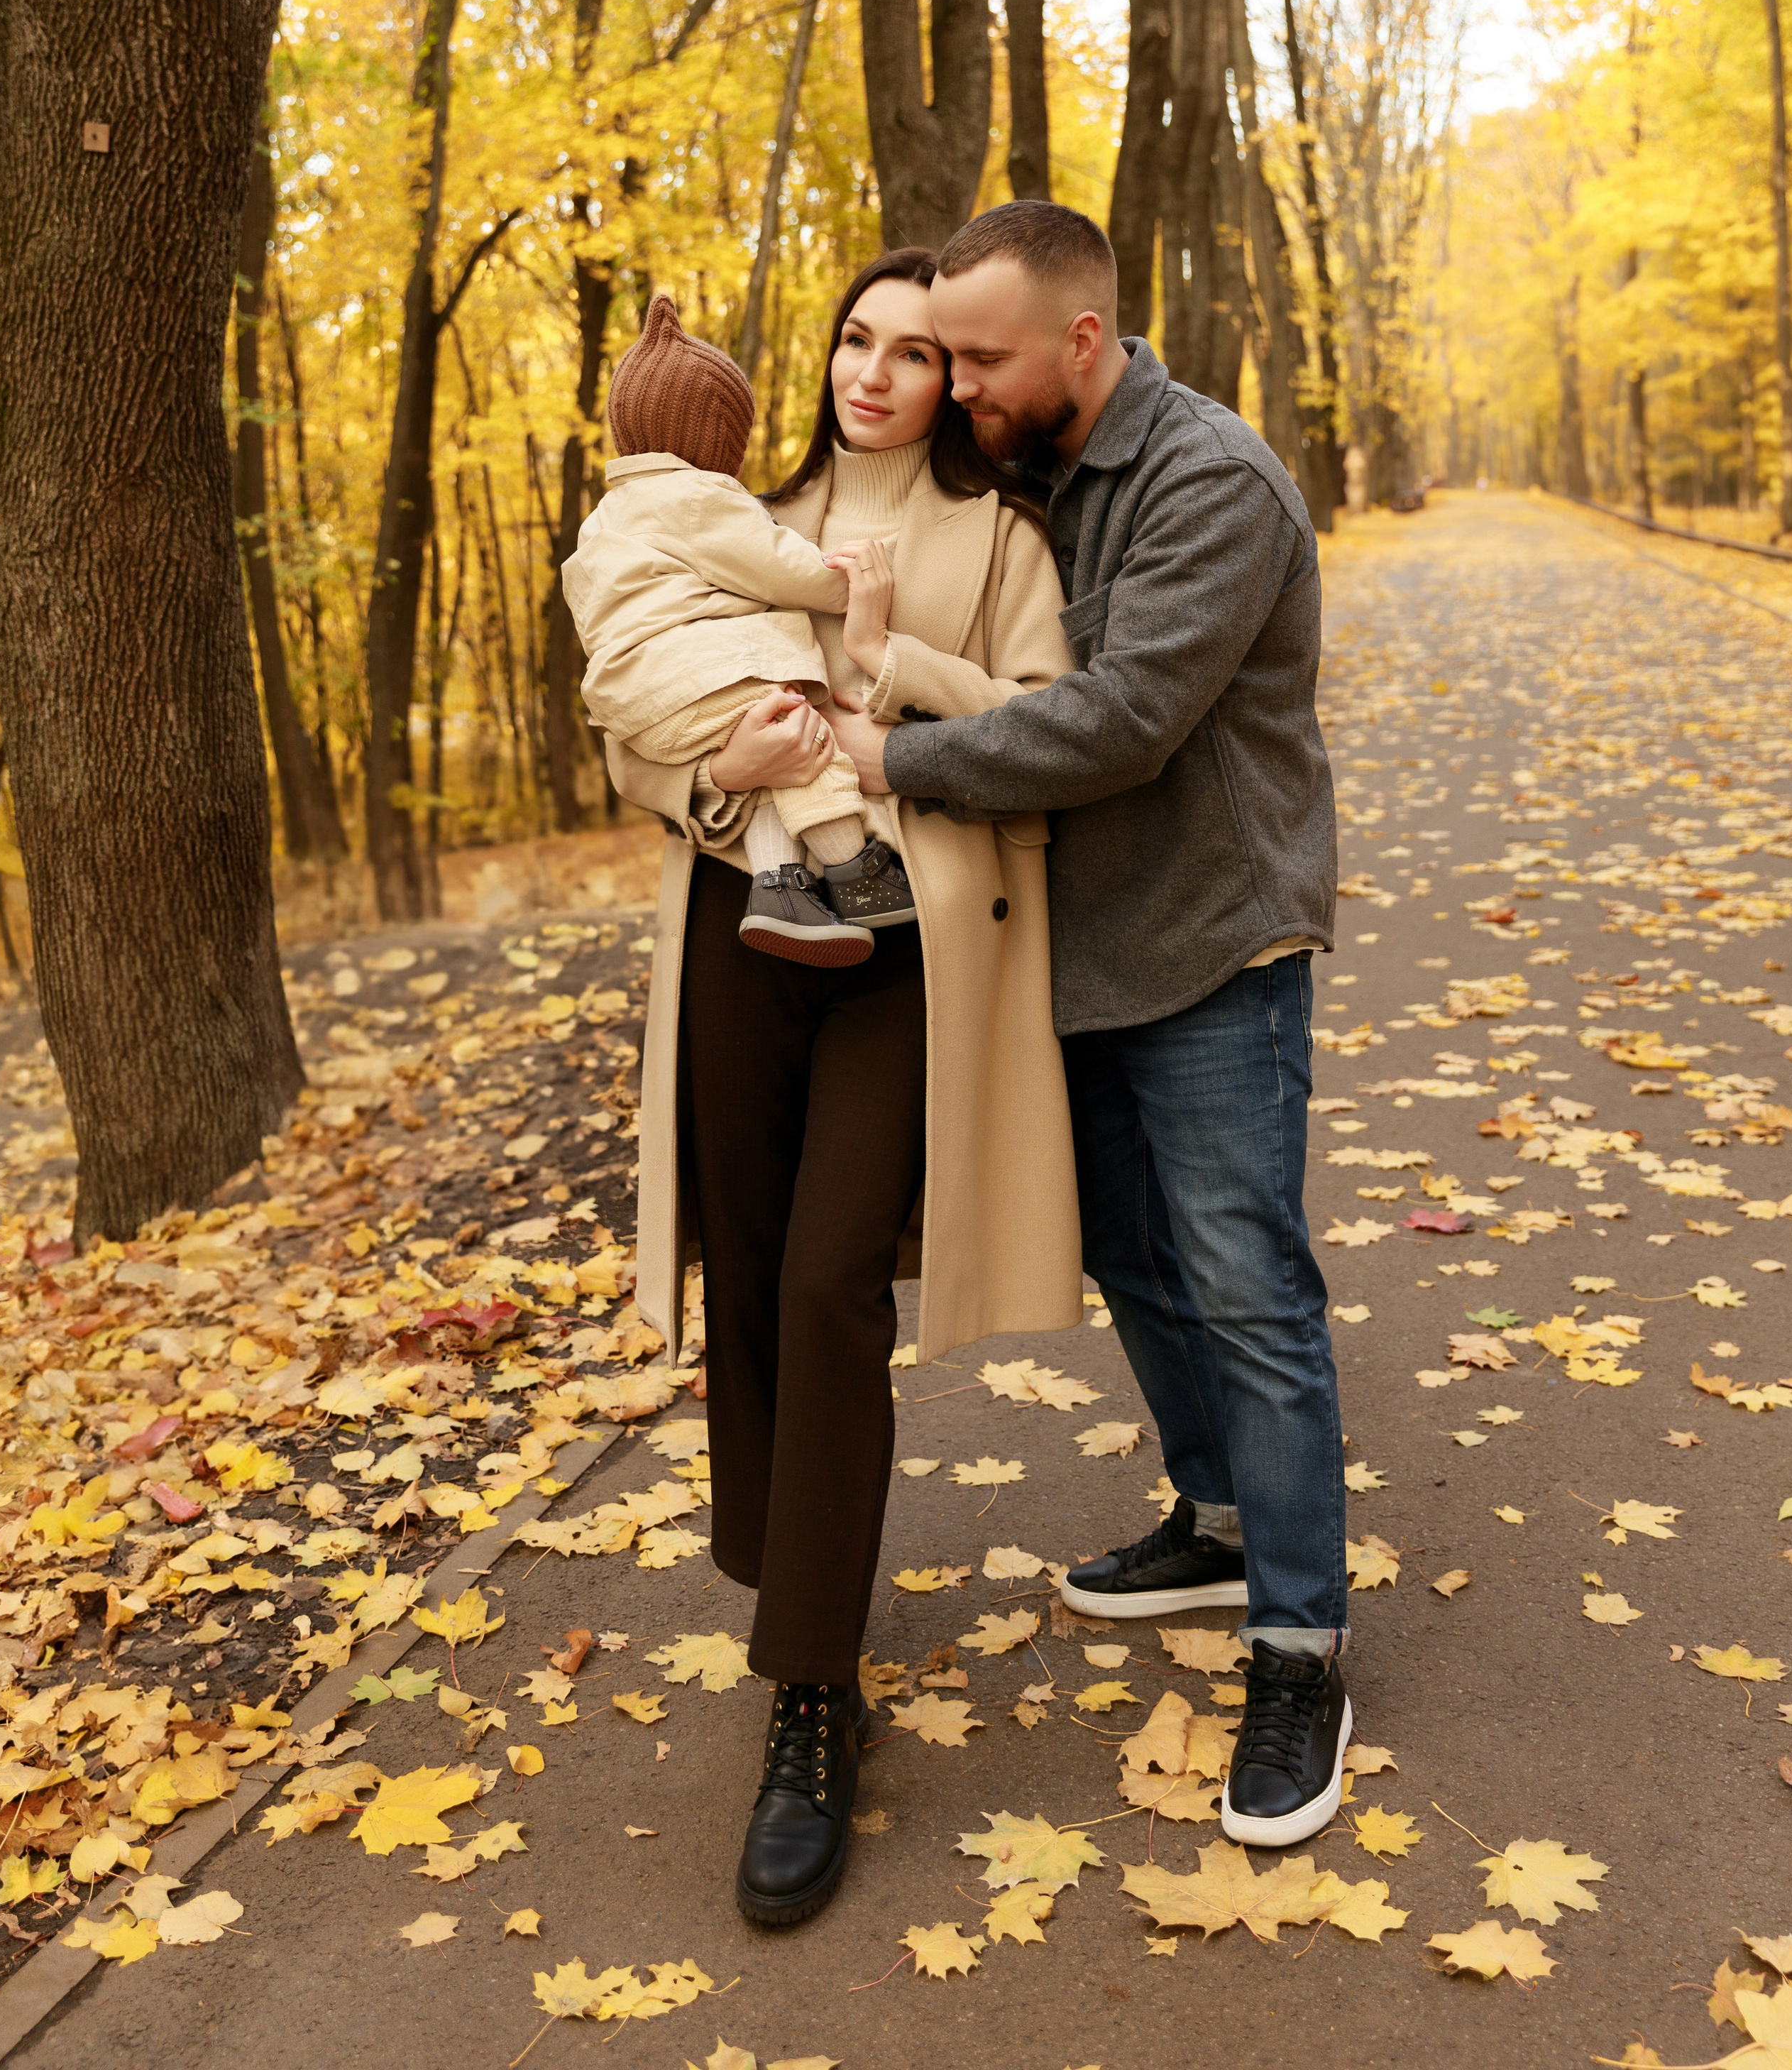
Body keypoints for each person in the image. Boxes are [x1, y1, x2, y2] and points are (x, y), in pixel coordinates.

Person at [826, 200, 1349, 1851]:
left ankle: (1298, 1642)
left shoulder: (1207, 479)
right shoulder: (1035, 463)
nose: (954, 386)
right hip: (1080, 946)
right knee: (1136, 1253)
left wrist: (889, 758)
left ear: (1078, 342)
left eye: (976, 356)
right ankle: (1207, 1517)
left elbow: (1118, 719)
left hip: (1208, 941)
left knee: (1246, 1277)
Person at [608, 248, 1082, 1925]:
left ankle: (809, 1695)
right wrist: (707, 777)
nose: (870, 373)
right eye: (849, 340)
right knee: (750, 1266)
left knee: (823, 1283)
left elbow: (1046, 720)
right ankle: (793, 1570)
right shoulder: (740, 501)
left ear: (956, 379)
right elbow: (639, 712)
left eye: (909, 352)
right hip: (743, 917)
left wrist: (896, 672)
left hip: (912, 954)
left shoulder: (1001, 538)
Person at [560, 290, 911, 965]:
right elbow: (777, 566)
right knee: (804, 743)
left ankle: (780, 887)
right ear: (712, 440)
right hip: (702, 678)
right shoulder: (695, 497)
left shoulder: (604, 519)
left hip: (636, 708)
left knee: (768, 770)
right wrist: (849, 584)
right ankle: (856, 870)